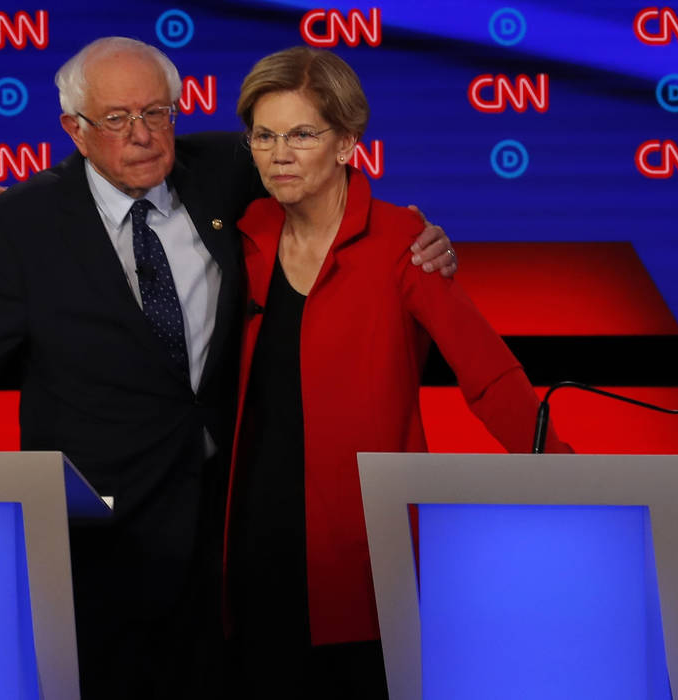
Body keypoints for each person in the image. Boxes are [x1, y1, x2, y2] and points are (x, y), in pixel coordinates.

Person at [0, 37, 457, 699]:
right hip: (104, 550)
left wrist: (417, 231)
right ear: (74, 130)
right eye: (116, 120)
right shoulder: (22, 225)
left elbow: (326, 189)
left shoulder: (229, 168)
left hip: (233, 536)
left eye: (157, 113)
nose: (142, 136)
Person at [223, 46, 572, 699]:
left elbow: (488, 373)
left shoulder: (400, 241)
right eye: (264, 137)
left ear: (348, 143)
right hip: (248, 540)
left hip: (361, 541)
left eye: (302, 134)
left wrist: (577, 480)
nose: (279, 154)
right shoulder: (239, 232)